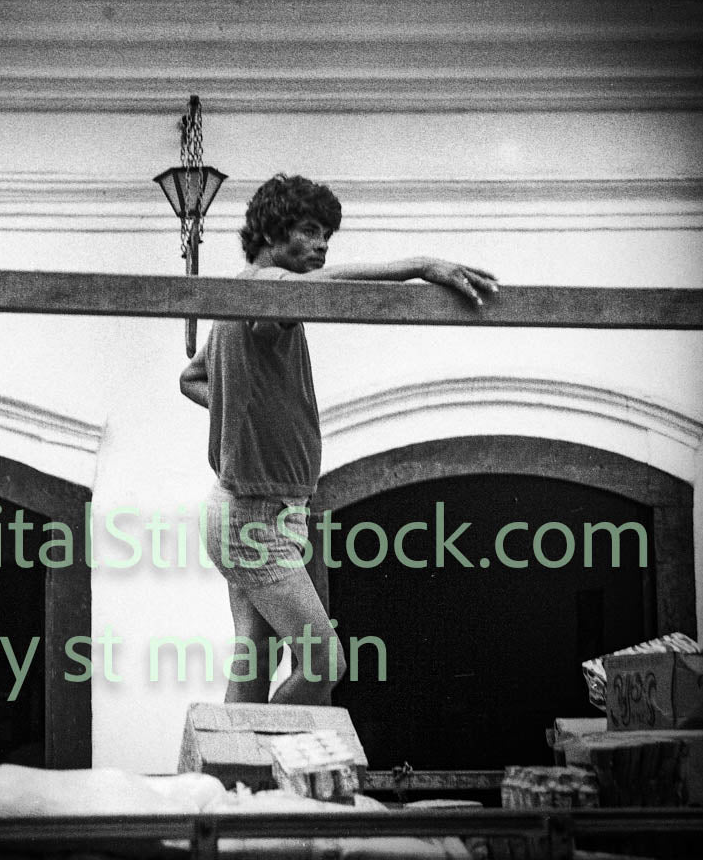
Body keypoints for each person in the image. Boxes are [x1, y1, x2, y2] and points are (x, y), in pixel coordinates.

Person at [180, 173, 497, 705]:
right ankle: (273, 760)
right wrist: (419, 266)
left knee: (257, 654)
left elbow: (191, 380)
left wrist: (246, 410)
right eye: (310, 230)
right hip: (255, 519)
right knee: (326, 662)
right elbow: (323, 291)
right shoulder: (266, 288)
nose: (324, 243)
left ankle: (235, 781)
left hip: (248, 509)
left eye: (328, 233)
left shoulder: (235, 300)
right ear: (272, 234)